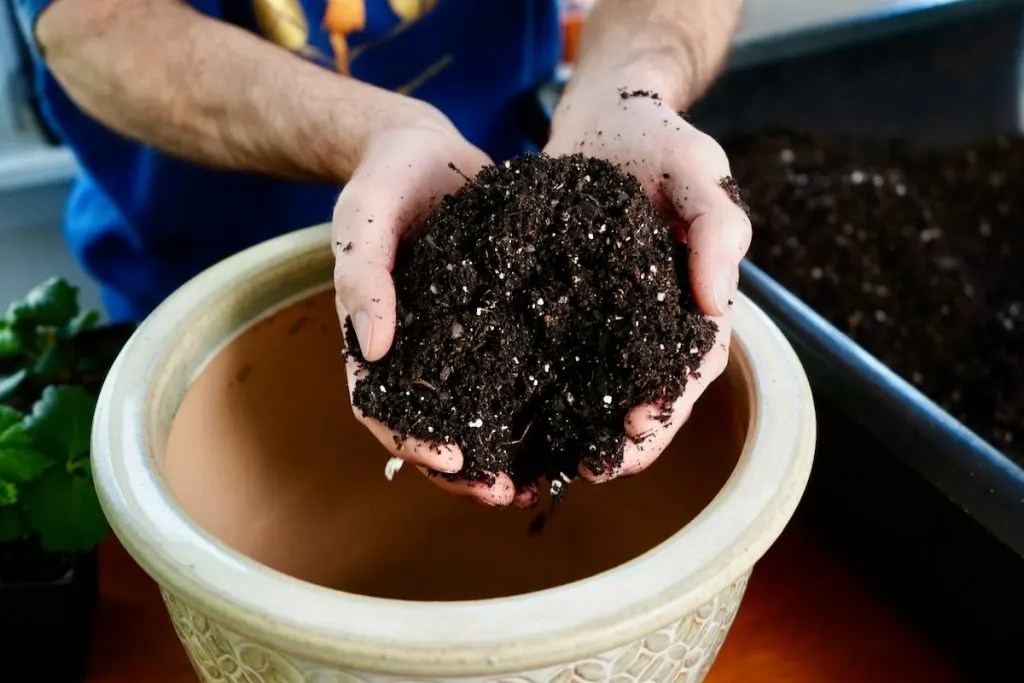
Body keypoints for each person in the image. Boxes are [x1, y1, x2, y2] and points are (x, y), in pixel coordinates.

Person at [14, 0, 751, 506]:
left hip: (496, 183)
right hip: (199, 275)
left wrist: (633, 83)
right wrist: (366, 130)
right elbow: (96, 23)